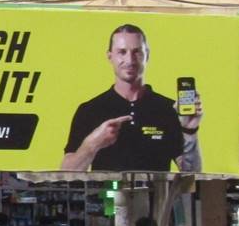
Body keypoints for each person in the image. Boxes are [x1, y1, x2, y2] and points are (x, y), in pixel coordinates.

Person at [61, 24, 202, 173]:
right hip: (105, 196)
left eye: (137, 52)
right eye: (122, 52)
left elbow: (190, 176)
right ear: (110, 56)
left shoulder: (168, 109)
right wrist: (92, 144)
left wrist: (190, 130)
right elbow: (66, 174)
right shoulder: (90, 110)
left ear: (147, 55)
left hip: (157, 196)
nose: (130, 60)